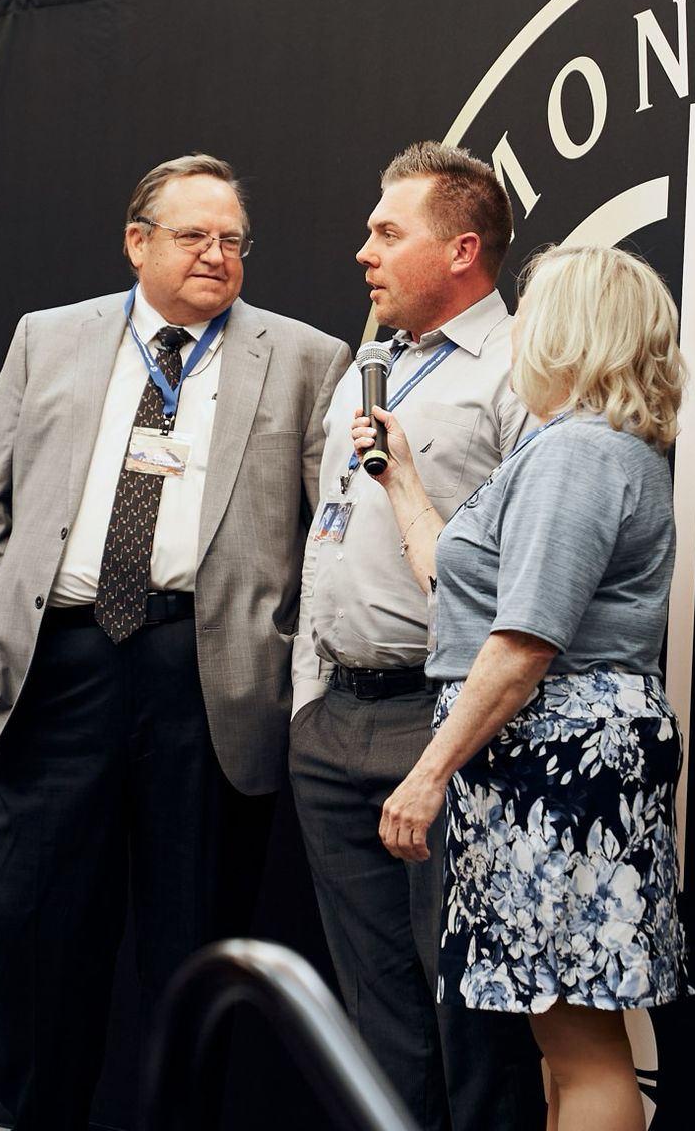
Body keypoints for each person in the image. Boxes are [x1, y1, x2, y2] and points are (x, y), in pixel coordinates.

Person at [0, 153, 350, 1131]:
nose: (216, 254)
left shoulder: (306, 358)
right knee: (38, 938)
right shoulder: (47, 340)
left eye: (232, 240)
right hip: (62, 671)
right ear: (139, 242)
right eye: (193, 235)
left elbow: (329, 539)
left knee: (194, 951)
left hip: (204, 683)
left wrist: (293, 679)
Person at [354, 244, 689, 1131]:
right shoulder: (582, 445)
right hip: (554, 757)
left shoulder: (578, 452)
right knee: (568, 1038)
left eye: (533, 314)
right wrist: (403, 481)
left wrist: (427, 774)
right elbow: (460, 591)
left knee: (578, 1048)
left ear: (568, 332)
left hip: (561, 759)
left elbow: (522, 643)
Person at [289, 142, 546, 1131]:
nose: (364, 252)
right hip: (335, 722)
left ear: (463, 250)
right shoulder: (371, 363)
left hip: (443, 724)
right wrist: (310, 700)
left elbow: (533, 578)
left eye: (388, 233)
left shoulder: (523, 370)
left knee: (470, 1007)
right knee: (376, 1011)